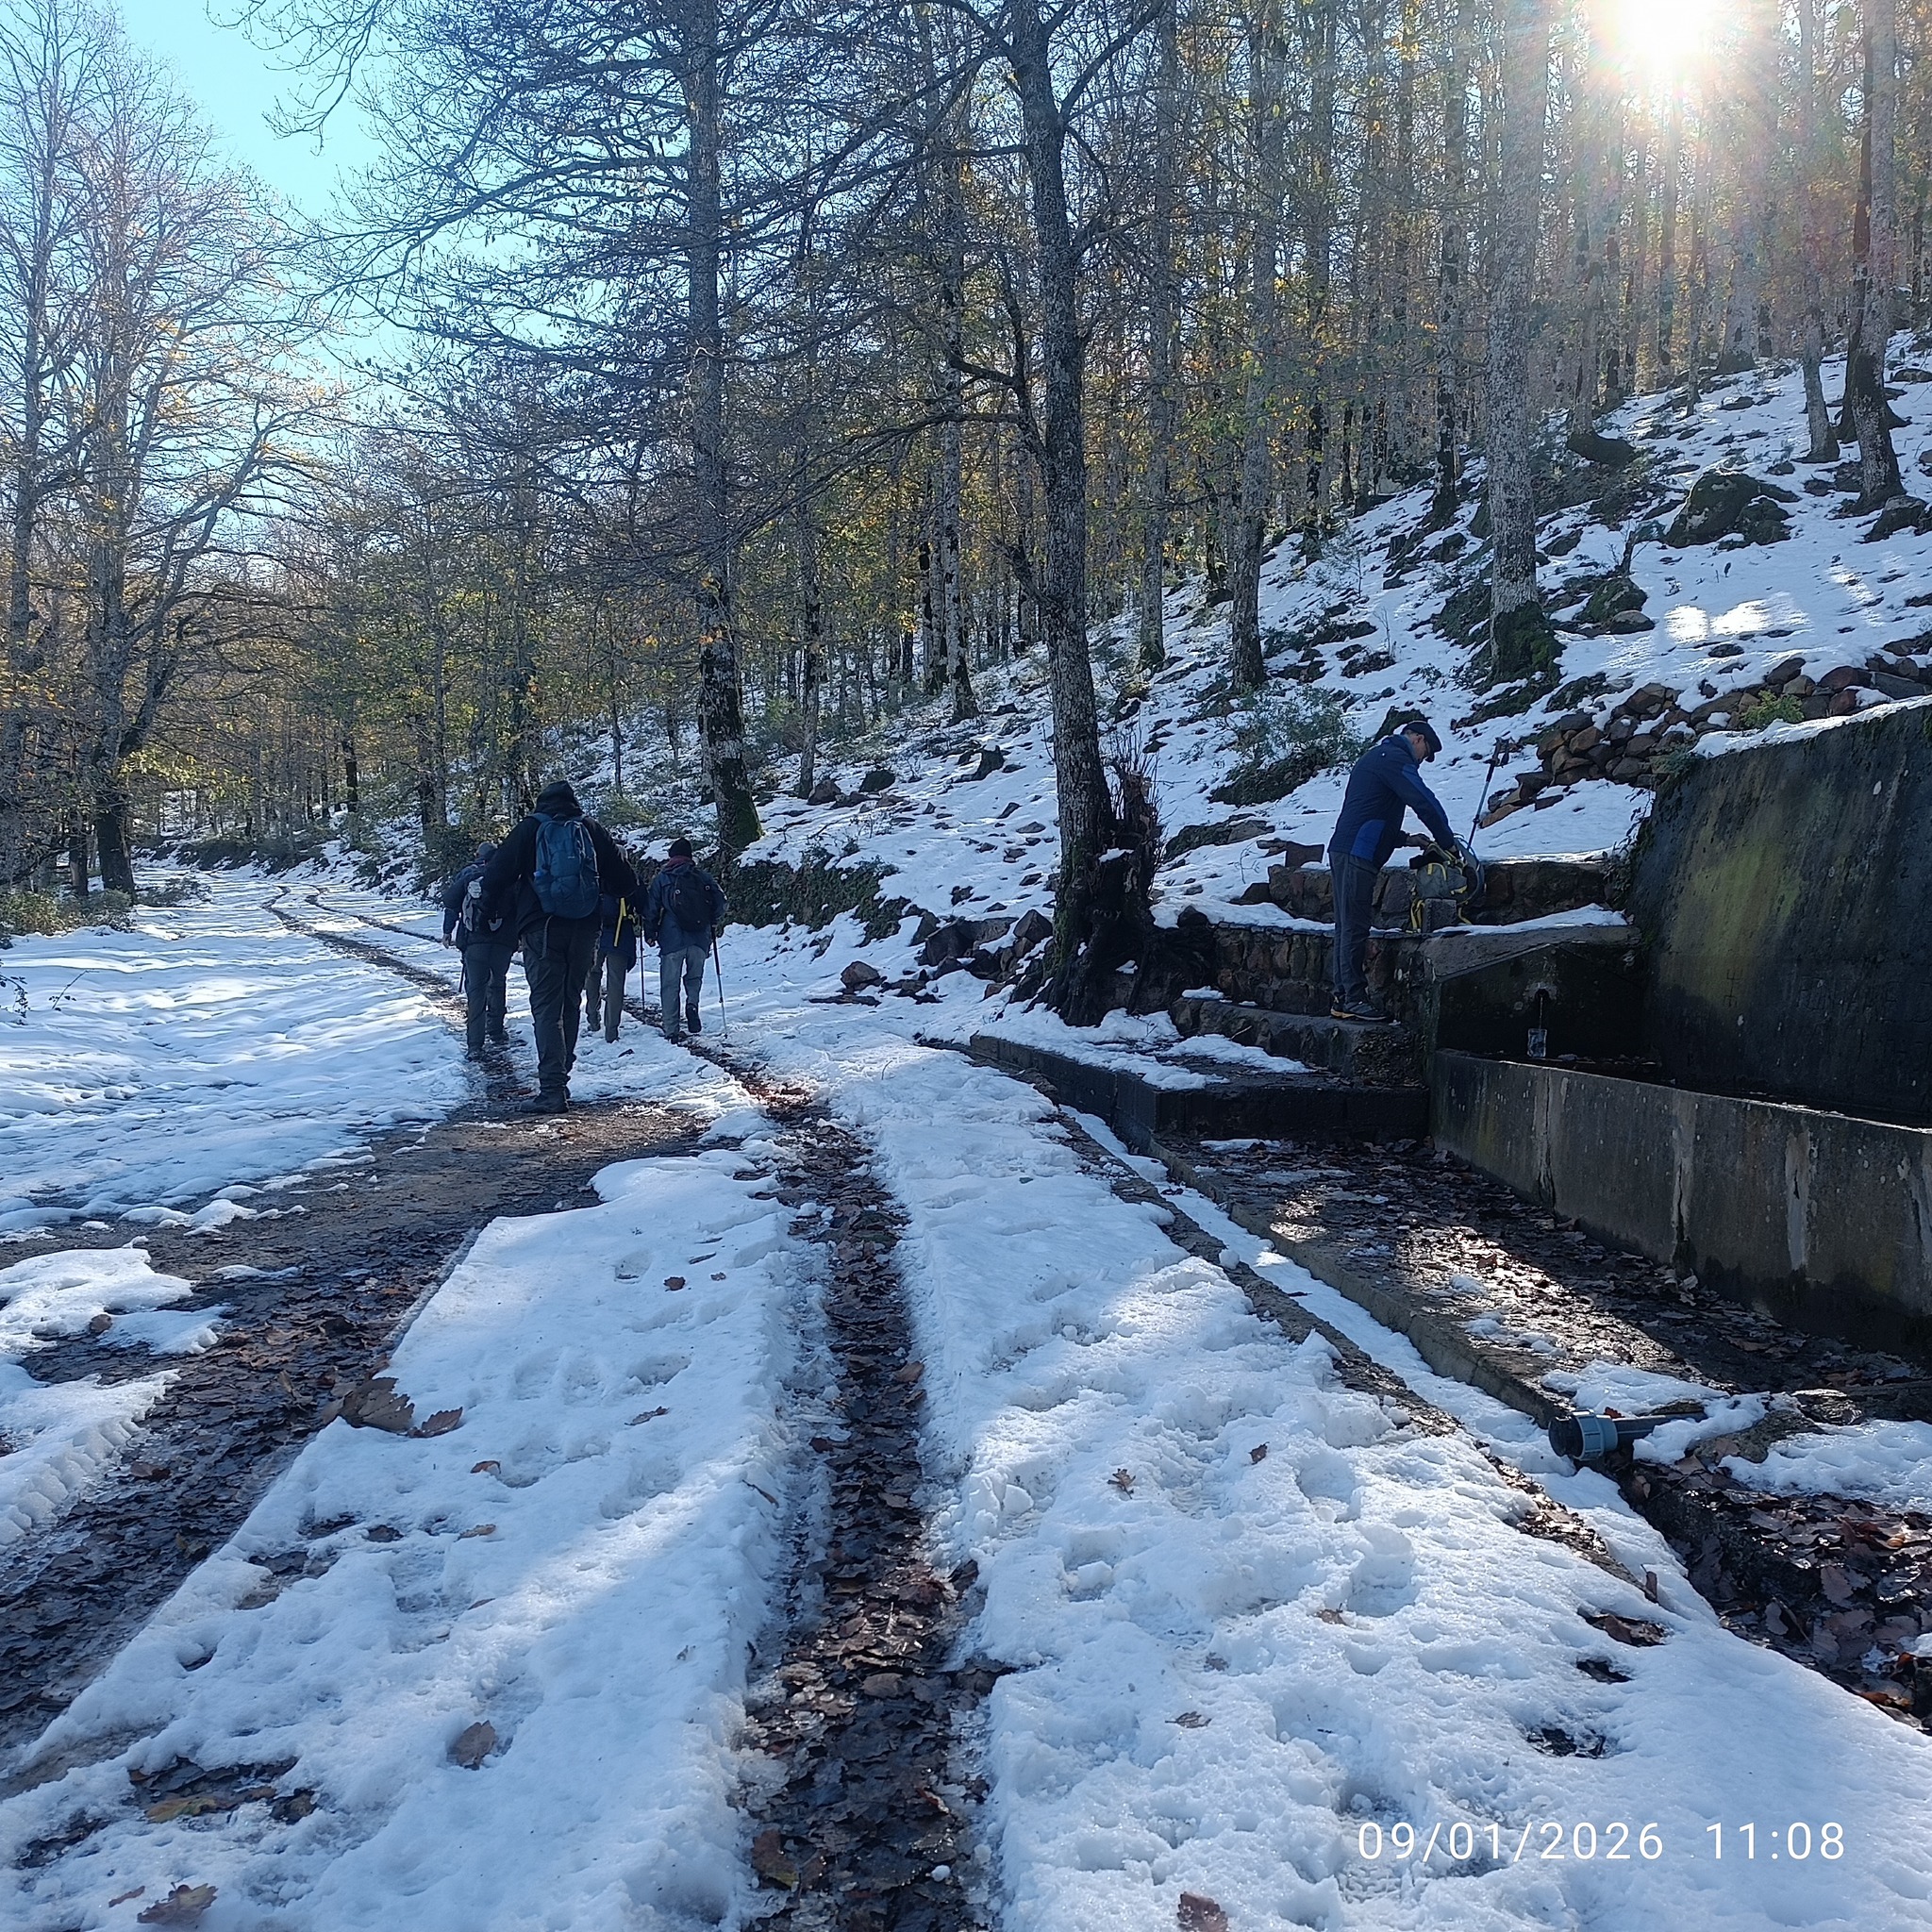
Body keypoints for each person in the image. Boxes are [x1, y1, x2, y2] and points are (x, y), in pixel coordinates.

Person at [476, 780, 638, 1111]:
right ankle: (561, 1076)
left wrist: (489, 914)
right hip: (586, 929)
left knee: (546, 1007)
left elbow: (496, 875)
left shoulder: (530, 829)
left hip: (542, 928)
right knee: (570, 1001)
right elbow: (626, 882)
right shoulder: (591, 829)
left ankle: (552, 1089)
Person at [1327, 717, 1469, 1023]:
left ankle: (1341, 998)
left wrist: (1406, 839)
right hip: (1357, 853)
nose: (1423, 760)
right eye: (1426, 752)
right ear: (1416, 739)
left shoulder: (1378, 757)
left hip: (1346, 849)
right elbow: (1423, 801)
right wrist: (1449, 843)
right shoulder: (1394, 758)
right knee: (1354, 927)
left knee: (1346, 926)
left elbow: (1371, 812)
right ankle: (1352, 998)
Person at [642, 837, 726, 1043]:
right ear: (690, 857)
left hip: (672, 939)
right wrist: (712, 921)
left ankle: (671, 1028)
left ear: (671, 856)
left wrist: (651, 932)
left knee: (670, 984)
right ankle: (692, 1005)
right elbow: (721, 902)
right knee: (694, 977)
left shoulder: (663, 878)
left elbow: (652, 908)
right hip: (699, 937)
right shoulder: (702, 876)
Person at [441, 840, 515, 1060]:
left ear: (478, 855)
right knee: (498, 982)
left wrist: (448, 930)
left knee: (476, 991)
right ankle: (497, 1031)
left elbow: (450, 902)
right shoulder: (508, 875)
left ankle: (475, 1044)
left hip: (474, 943)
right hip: (502, 943)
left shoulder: (468, 875)